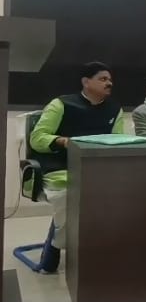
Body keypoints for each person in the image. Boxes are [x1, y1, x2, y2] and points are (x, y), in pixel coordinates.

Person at [29, 61, 124, 273]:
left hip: (96, 171)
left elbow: (118, 141)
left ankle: (101, 252)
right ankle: (59, 251)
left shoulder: (114, 109)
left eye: (110, 79)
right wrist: (63, 141)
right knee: (69, 203)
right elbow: (37, 138)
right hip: (61, 170)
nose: (109, 83)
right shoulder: (61, 104)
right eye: (103, 79)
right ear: (86, 82)